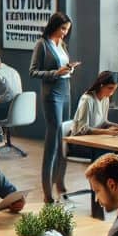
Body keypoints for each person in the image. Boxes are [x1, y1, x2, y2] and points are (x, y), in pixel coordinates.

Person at [30, 11, 79, 203]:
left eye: (67, 29)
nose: (65, 33)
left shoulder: (62, 44)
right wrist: (55, 73)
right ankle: (47, 190)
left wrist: (69, 69)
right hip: (52, 94)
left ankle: (60, 181)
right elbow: (33, 71)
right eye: (63, 28)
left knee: (64, 138)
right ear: (55, 26)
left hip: (66, 90)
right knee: (52, 141)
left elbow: (63, 67)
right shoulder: (42, 44)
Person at [70, 71, 118, 136]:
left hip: (95, 138)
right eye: (110, 88)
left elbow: (104, 122)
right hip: (80, 140)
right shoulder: (87, 99)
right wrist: (107, 131)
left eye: (114, 90)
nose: (111, 93)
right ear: (101, 85)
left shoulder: (105, 98)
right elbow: (83, 128)